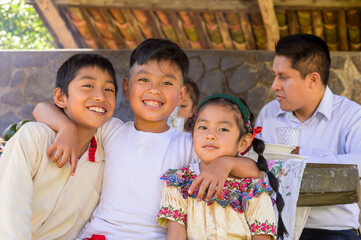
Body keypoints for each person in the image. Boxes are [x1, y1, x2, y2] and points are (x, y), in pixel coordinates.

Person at [33, 39, 261, 239]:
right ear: (126, 86)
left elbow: (255, 170)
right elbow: (42, 108)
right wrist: (66, 128)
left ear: (181, 95)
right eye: (144, 79)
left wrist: (226, 163)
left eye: (167, 83)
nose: (155, 90)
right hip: (100, 235)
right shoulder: (110, 130)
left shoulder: (189, 144)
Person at [0, 53, 117, 239]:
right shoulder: (34, 138)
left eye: (109, 90)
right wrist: (66, 127)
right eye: (88, 86)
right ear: (61, 97)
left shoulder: (106, 159)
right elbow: (9, 208)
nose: (100, 96)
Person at [256, 33, 361, 240]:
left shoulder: (352, 115)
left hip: (333, 231)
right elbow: (253, 161)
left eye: (283, 77)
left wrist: (300, 157)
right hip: (274, 228)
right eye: (275, 75)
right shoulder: (269, 113)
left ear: (313, 79)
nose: (274, 85)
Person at [157, 94, 288, 240]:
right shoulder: (179, 182)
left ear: (243, 142)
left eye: (223, 129)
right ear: (192, 134)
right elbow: (175, 236)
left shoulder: (253, 189)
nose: (210, 135)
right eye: (203, 127)